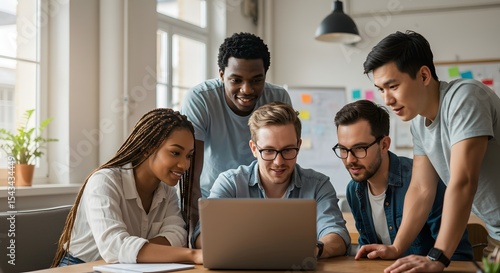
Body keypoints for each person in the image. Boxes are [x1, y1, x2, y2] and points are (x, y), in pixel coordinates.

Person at [358, 30, 500, 272]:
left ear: (423, 75)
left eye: (393, 86)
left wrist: (438, 257)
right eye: (381, 89)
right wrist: (396, 247)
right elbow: (422, 188)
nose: (387, 99)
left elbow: (464, 181)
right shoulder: (418, 123)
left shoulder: (465, 98)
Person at [191, 102, 350, 258]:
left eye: (288, 150)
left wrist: (313, 250)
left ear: (298, 146)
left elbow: (338, 235)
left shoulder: (318, 185)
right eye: (268, 150)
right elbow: (202, 236)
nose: (278, 162)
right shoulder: (230, 183)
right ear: (254, 149)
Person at [51, 109, 202, 267]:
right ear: (147, 148)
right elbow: (115, 248)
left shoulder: (167, 190)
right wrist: (193, 255)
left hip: (130, 266)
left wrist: (136, 251)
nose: (185, 165)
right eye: (175, 152)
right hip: (81, 267)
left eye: (188, 156)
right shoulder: (104, 181)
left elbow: (177, 235)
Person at [180, 32, 292, 237]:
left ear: (266, 75)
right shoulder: (200, 99)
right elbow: (190, 177)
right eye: (236, 80)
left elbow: (284, 159)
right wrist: (194, 233)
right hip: (213, 199)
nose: (247, 90)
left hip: (261, 202)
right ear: (222, 75)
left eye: (256, 80)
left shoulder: (278, 97)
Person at [333, 99, 472, 260]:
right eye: (343, 149)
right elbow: (369, 253)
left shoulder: (425, 181)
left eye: (359, 148)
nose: (349, 159)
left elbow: (459, 256)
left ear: (384, 145)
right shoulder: (355, 190)